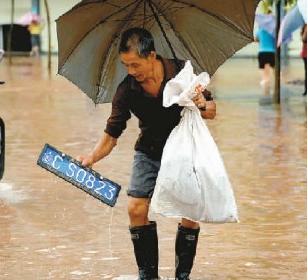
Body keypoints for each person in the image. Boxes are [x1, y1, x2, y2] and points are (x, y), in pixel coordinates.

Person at [76, 28, 216, 280]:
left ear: (151, 55)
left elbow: (211, 111)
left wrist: (200, 102)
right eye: (125, 65)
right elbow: (111, 134)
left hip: (183, 149)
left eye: (135, 64)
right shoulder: (126, 90)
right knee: (136, 209)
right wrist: (91, 158)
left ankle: (182, 275)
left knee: (191, 211)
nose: (131, 71)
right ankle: (148, 275)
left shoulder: (181, 72)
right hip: (149, 150)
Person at [254, 18, 275, 96]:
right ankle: (274, 79)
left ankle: (264, 80)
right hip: (272, 52)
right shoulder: (272, 31)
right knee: (273, 67)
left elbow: (255, 39)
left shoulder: (260, 31)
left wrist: (260, 40)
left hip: (262, 51)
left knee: (262, 67)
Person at [301, 22, 307, 96]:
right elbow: (303, 39)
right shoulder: (304, 29)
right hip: (306, 54)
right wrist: (306, 30)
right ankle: (306, 89)